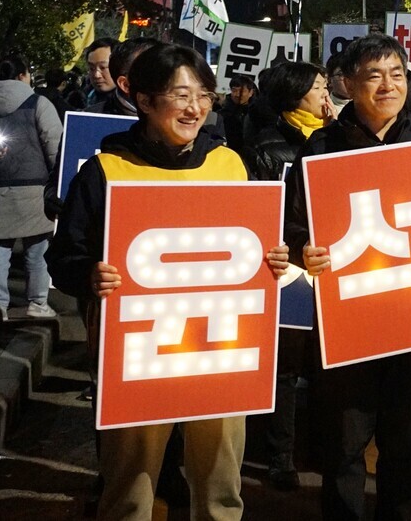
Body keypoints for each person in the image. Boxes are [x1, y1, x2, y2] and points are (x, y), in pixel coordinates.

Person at [47, 43, 291, 519]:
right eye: (180, 94)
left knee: (221, 480)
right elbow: (64, 256)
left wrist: (273, 259)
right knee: (130, 484)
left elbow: (252, 247)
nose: (195, 107)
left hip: (220, 349)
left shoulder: (230, 165)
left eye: (203, 94)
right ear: (143, 100)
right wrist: (89, 273)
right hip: (138, 357)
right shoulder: (106, 171)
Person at [283, 33, 411, 520]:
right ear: (348, 83)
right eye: (374, 75)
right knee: (345, 440)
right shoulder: (320, 149)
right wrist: (307, 251)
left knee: (403, 435)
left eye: (396, 74)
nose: (388, 85)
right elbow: (293, 223)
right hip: (350, 316)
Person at [243, 61, 331, 490]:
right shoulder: (264, 147)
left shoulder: (334, 141)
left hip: (329, 268)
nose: (326, 94)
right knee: (285, 368)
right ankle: (280, 456)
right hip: (288, 272)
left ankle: (320, 446)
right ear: (296, 95)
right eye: (318, 87)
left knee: (326, 363)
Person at [0, 54, 63, 322]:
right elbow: (55, 146)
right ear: (23, 75)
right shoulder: (38, 103)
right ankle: (37, 302)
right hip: (34, 189)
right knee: (38, 251)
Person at [219, 73, 257, 157]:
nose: (237, 95)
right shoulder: (222, 114)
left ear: (251, 92)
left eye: (242, 91)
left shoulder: (257, 114)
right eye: (234, 90)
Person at [83, 37, 119, 109]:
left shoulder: (136, 106)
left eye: (103, 67)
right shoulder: (84, 99)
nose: (97, 75)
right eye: (91, 68)